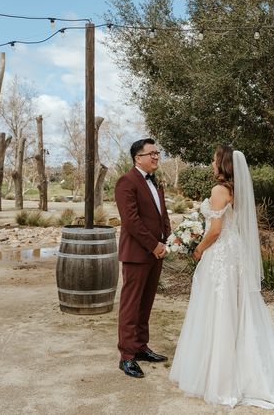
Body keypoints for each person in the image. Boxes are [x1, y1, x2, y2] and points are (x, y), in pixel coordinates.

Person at [169, 145, 274, 412]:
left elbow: (216, 230)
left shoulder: (219, 190)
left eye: (214, 159)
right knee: (235, 309)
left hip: (220, 254)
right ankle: (237, 369)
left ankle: (221, 381)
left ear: (223, 163)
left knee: (218, 309)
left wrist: (198, 248)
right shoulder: (236, 190)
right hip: (235, 254)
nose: (211, 162)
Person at [115, 138, 171, 378]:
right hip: (138, 254)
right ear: (138, 158)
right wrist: (153, 245)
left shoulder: (156, 182)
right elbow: (131, 221)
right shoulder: (126, 182)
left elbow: (162, 214)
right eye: (152, 154)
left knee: (146, 303)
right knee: (131, 305)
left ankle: (140, 347)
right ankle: (127, 356)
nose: (156, 157)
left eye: (158, 153)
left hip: (156, 253)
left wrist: (167, 239)